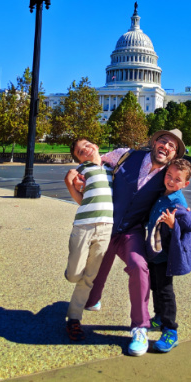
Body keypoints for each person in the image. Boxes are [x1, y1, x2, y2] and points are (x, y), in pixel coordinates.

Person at [65, 128, 185, 356]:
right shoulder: (125, 155)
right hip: (105, 228)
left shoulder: (166, 176)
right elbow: (94, 163)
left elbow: (177, 192)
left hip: (132, 232)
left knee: (139, 267)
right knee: (91, 284)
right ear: (154, 142)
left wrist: (185, 213)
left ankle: (140, 328)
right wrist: (77, 176)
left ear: (174, 155)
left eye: (172, 146)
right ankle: (93, 299)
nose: (166, 147)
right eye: (163, 141)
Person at [146, 158, 191, 353]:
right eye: (169, 176)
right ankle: (158, 317)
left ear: (185, 184)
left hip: (166, 254)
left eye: (177, 179)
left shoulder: (178, 201)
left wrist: (174, 224)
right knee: (155, 287)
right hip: (155, 252)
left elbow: (186, 226)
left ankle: (170, 330)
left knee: (165, 291)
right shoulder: (163, 193)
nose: (171, 181)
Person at [63, 138, 114, 341]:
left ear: (96, 146)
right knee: (74, 275)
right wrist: (69, 182)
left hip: (106, 228)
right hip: (83, 225)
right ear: (77, 157)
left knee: (90, 277)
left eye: (86, 144)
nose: (83, 149)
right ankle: (71, 274)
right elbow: (81, 199)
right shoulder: (80, 171)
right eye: (78, 150)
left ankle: (74, 319)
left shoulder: (112, 168)